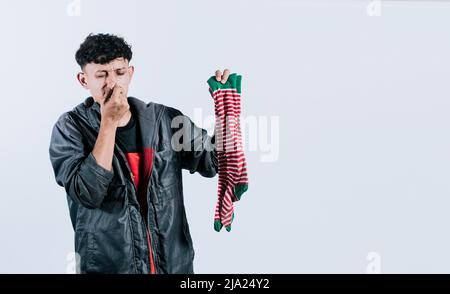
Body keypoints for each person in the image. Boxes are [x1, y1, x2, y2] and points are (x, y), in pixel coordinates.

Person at [49, 33, 231, 274]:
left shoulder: (164, 120)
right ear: (84, 80)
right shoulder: (70, 127)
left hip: (174, 267)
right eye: (101, 75)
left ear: (131, 72)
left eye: (120, 72)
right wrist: (108, 123)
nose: (112, 83)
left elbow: (215, 161)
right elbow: (88, 193)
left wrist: (226, 108)